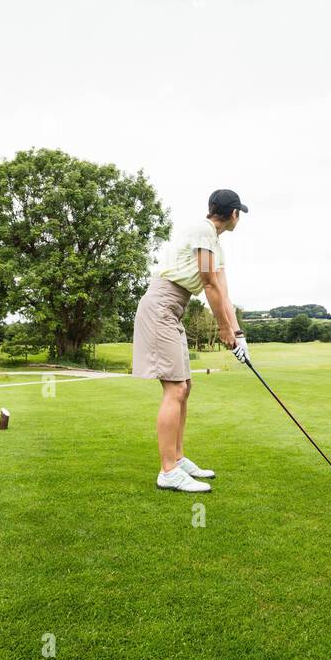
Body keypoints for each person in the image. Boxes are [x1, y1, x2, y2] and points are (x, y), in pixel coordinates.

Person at [132, 189, 248, 492]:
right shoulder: (202, 232)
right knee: (176, 387)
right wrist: (223, 330)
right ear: (233, 214)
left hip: (174, 309)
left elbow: (223, 292)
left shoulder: (214, 244)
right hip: (161, 306)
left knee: (185, 385)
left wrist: (238, 335)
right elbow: (208, 284)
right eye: (240, 214)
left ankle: (178, 459)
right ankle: (168, 471)